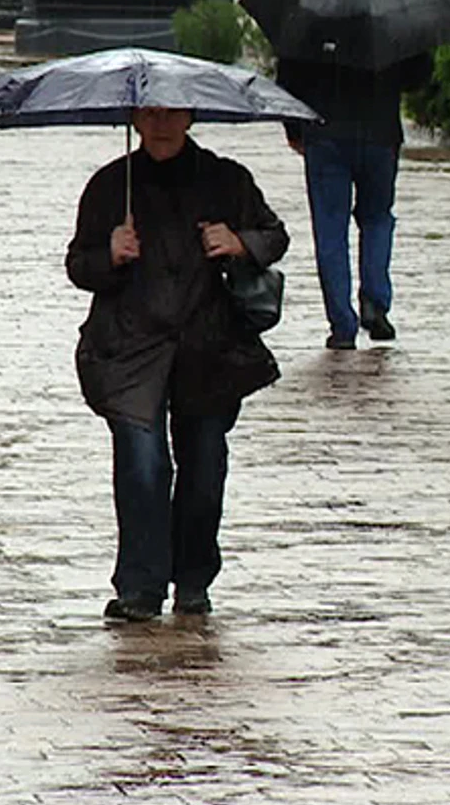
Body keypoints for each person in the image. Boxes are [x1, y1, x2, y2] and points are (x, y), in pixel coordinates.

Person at [65, 106, 289, 622]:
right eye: (150, 113)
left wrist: (240, 243)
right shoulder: (109, 186)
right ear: (135, 120)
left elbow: (274, 235)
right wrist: (110, 254)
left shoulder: (225, 179)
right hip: (129, 350)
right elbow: (78, 264)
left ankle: (192, 579)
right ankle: (140, 588)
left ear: (191, 115)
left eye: (172, 113)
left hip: (207, 348)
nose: (162, 123)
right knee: (143, 466)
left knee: (205, 468)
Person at [275, 52, 432, 350]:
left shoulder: (307, 20)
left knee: (330, 229)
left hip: (324, 133)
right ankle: (375, 303)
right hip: (380, 133)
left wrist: (294, 130)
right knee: (377, 219)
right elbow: (418, 75)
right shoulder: (395, 20)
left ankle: (342, 326)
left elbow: (288, 81)